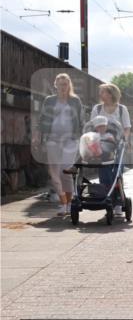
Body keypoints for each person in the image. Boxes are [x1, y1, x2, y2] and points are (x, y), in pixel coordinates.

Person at [34, 73, 84, 216]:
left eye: (65, 84)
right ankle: (63, 203)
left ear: (69, 85)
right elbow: (42, 119)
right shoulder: (49, 100)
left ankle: (70, 203)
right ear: (55, 85)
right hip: (52, 139)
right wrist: (37, 135)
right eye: (60, 84)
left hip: (71, 140)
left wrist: (83, 137)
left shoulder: (75, 101)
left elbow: (81, 121)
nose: (62, 87)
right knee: (54, 172)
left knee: (65, 171)